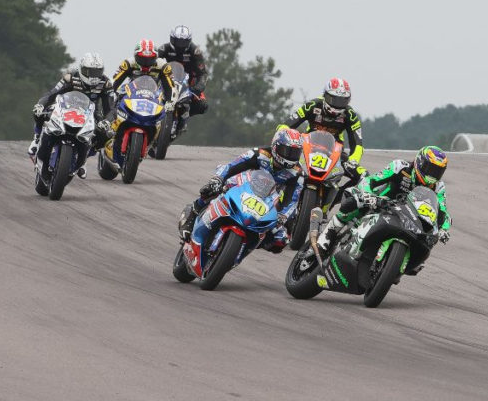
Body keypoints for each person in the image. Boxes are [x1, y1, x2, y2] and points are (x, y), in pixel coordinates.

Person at [177, 128, 305, 253]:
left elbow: (293, 199)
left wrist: (282, 216)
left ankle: (249, 242)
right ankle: (193, 213)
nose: (290, 156)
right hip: (244, 184)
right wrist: (217, 179)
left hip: (268, 201)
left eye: (295, 152)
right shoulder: (259, 154)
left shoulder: (297, 173)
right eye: (287, 151)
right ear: (275, 146)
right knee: (213, 189)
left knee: (281, 239)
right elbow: (231, 166)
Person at [317, 146, 451, 254]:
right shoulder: (400, 166)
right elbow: (372, 180)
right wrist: (368, 196)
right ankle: (331, 230)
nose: (432, 175)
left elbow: (443, 211)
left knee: (425, 240)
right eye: (430, 169)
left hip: (409, 217)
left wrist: (444, 229)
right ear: (419, 162)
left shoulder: (438, 187)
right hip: (381, 202)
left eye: (437, 172)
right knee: (356, 201)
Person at [28, 53, 115, 178]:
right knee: (40, 112)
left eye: (96, 72)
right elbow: (51, 94)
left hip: (90, 112)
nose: (93, 76)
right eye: (89, 71)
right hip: (65, 106)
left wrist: (106, 121)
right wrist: (41, 105)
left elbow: (111, 109)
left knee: (106, 134)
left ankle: (84, 157)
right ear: (81, 69)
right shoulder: (70, 77)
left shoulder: (106, 83)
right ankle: (36, 139)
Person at [278, 77, 364, 177]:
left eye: (342, 101)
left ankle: (344, 192)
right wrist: (282, 137)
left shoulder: (350, 115)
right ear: (325, 95)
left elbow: (358, 143)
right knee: (282, 164)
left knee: (362, 175)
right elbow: (287, 124)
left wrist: (353, 160)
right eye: (334, 100)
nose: (337, 105)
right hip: (307, 146)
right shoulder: (312, 105)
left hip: (336, 152)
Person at [156, 25, 209, 128]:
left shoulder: (195, 51)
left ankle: (185, 114)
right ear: (172, 39)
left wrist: (198, 88)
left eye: (183, 42)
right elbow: (153, 64)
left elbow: (202, 73)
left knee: (203, 106)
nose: (180, 45)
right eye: (178, 41)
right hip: (166, 82)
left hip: (188, 84)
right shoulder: (164, 49)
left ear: (189, 41)